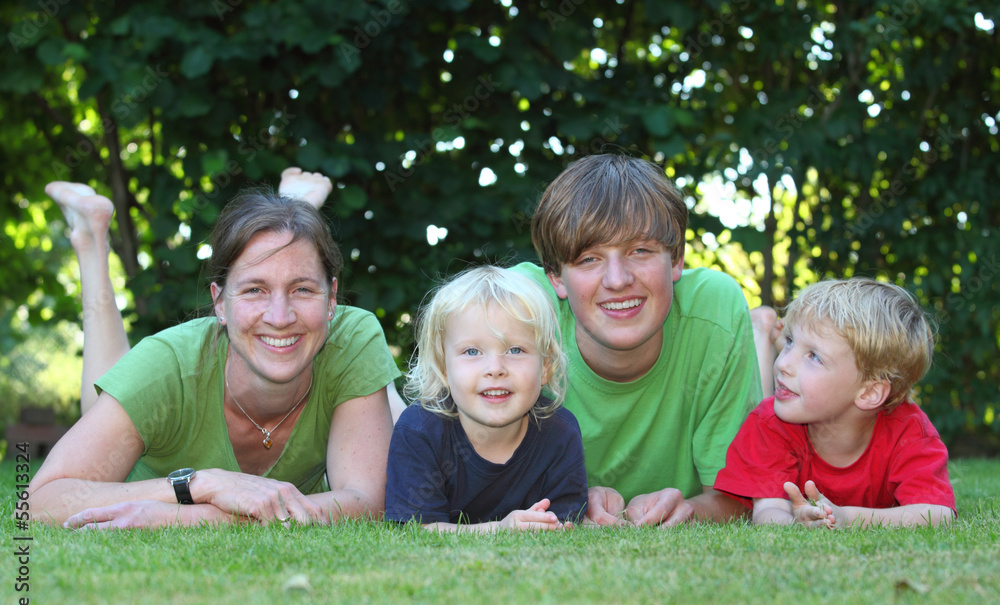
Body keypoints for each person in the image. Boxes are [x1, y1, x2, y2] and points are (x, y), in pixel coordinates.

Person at [28, 169, 400, 528]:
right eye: (254, 289)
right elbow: (40, 502)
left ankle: (293, 211)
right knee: (104, 394)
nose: (281, 316)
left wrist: (194, 517)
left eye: (303, 288)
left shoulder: (352, 338)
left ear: (333, 297)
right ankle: (91, 239)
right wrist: (201, 485)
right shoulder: (168, 364)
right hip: (164, 384)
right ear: (219, 303)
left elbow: (368, 502)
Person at [510, 154, 763, 527]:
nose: (617, 279)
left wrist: (691, 511)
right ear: (556, 278)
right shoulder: (518, 310)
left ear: (676, 259)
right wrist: (569, 499)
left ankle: (763, 331)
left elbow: (742, 496)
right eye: (589, 258)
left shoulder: (715, 310)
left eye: (639, 251)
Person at [713, 278, 956, 528]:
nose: (783, 363)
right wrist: (796, 525)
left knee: (780, 389)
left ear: (869, 393)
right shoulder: (771, 422)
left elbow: (938, 514)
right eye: (789, 342)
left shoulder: (910, 432)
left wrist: (847, 518)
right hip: (778, 414)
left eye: (814, 357)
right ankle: (760, 333)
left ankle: (765, 333)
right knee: (767, 400)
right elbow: (767, 511)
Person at [384, 266, 588, 531]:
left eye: (515, 350)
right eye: (472, 351)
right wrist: (500, 529)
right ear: (443, 366)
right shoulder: (420, 432)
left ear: (545, 366)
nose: (495, 368)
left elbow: (563, 526)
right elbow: (417, 530)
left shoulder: (561, 433)